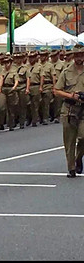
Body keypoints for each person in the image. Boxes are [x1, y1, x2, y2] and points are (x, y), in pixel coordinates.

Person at [53, 46, 84, 178]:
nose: (79, 58)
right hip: (69, 109)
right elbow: (56, 90)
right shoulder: (66, 72)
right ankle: (71, 167)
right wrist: (71, 96)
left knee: (83, 137)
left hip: (83, 109)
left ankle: (78, 157)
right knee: (69, 140)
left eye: (81, 55)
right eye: (77, 55)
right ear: (73, 56)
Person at [0, 55, 19, 131]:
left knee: (11, 108)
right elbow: (1, 79)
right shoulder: (2, 70)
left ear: (11, 63)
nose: (6, 64)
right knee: (1, 106)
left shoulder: (14, 70)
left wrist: (14, 87)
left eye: (8, 62)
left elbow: (16, 80)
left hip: (10, 88)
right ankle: (1, 123)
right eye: (5, 62)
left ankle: (11, 123)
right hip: (3, 88)